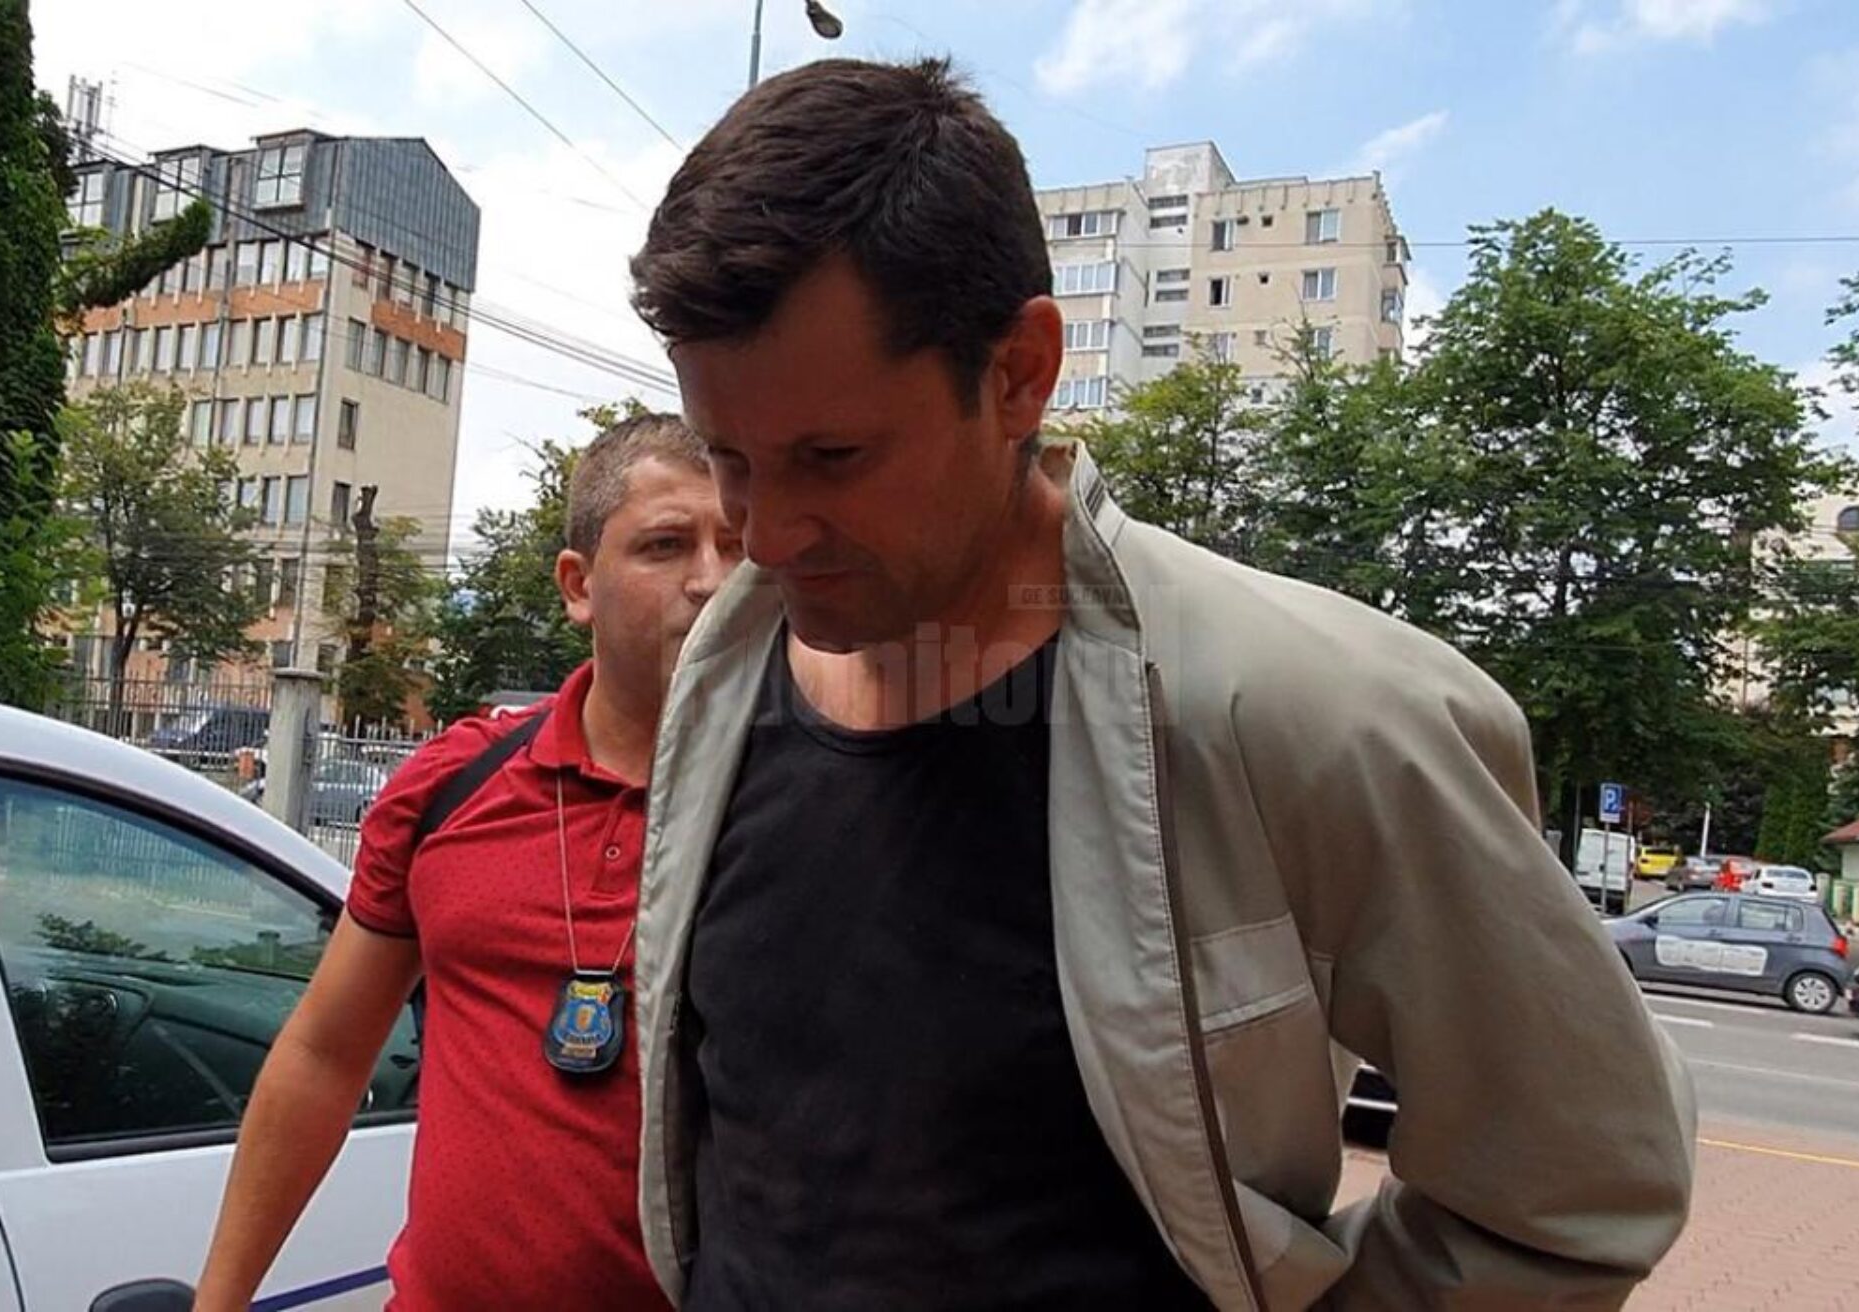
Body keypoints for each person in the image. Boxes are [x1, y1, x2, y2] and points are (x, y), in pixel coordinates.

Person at [625, 59, 1696, 1311]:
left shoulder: (1308, 712)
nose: (765, 533)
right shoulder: (723, 672)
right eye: (731, 457)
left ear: (1022, 371)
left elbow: (1577, 1188)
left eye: (834, 454)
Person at [194, 414, 740, 1311]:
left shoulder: (796, 806)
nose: (710, 579)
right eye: (665, 545)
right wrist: (219, 1301)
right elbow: (326, 1055)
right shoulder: (454, 785)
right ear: (579, 586)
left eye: (737, 546)